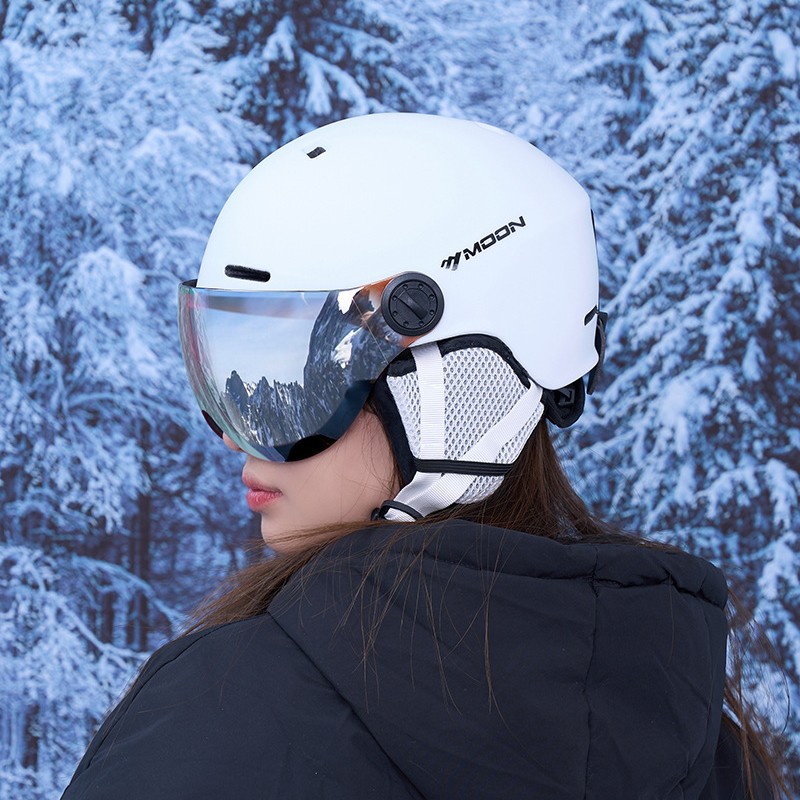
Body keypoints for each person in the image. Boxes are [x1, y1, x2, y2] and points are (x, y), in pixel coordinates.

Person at [61, 113, 787, 799]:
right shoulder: (702, 746)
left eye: (299, 387)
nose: (232, 435)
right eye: (227, 381)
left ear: (461, 383)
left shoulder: (219, 713)